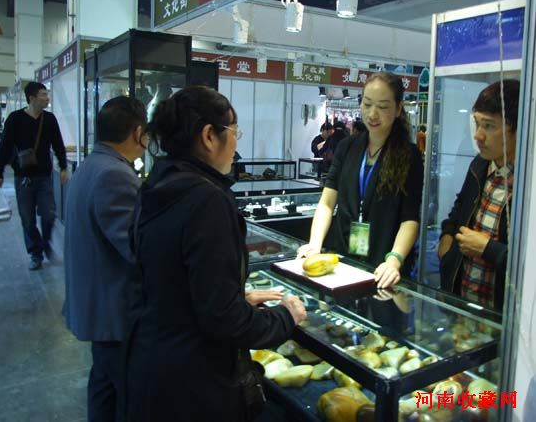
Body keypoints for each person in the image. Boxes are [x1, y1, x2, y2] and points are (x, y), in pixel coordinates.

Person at [125, 86, 307, 422]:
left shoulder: (158, 184)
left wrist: (236, 295)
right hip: (194, 385)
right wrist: (284, 317)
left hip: (150, 363)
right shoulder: (207, 199)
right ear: (209, 136)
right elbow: (224, 321)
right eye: (235, 131)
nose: (236, 143)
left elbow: (167, 279)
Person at [63, 96, 147, 422]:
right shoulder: (115, 174)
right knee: (125, 396)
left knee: (104, 389)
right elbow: (134, 247)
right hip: (114, 311)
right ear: (138, 132)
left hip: (96, 305)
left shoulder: (91, 165)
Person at [298, 72, 424, 289]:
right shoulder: (347, 147)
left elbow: (410, 219)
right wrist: (315, 243)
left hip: (382, 264)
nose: (372, 114)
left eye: (382, 106)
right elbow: (327, 202)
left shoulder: (408, 155)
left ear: (398, 109)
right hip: (341, 256)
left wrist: (394, 259)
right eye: (367, 104)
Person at [438, 80, 519, 311]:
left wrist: (489, 250)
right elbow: (459, 208)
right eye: (477, 123)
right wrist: (447, 241)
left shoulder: (527, 185)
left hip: (502, 314)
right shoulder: (480, 165)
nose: (478, 136)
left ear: (518, 129)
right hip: (463, 302)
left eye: (489, 126)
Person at [0, 81, 67, 270]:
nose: (47, 98)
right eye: (43, 95)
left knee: (49, 214)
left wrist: (63, 166)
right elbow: (4, 147)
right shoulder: (15, 119)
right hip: (23, 178)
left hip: (44, 177)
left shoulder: (49, 119)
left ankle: (45, 243)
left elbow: (58, 144)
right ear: (32, 98)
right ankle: (35, 254)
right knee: (27, 220)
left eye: (47, 94)